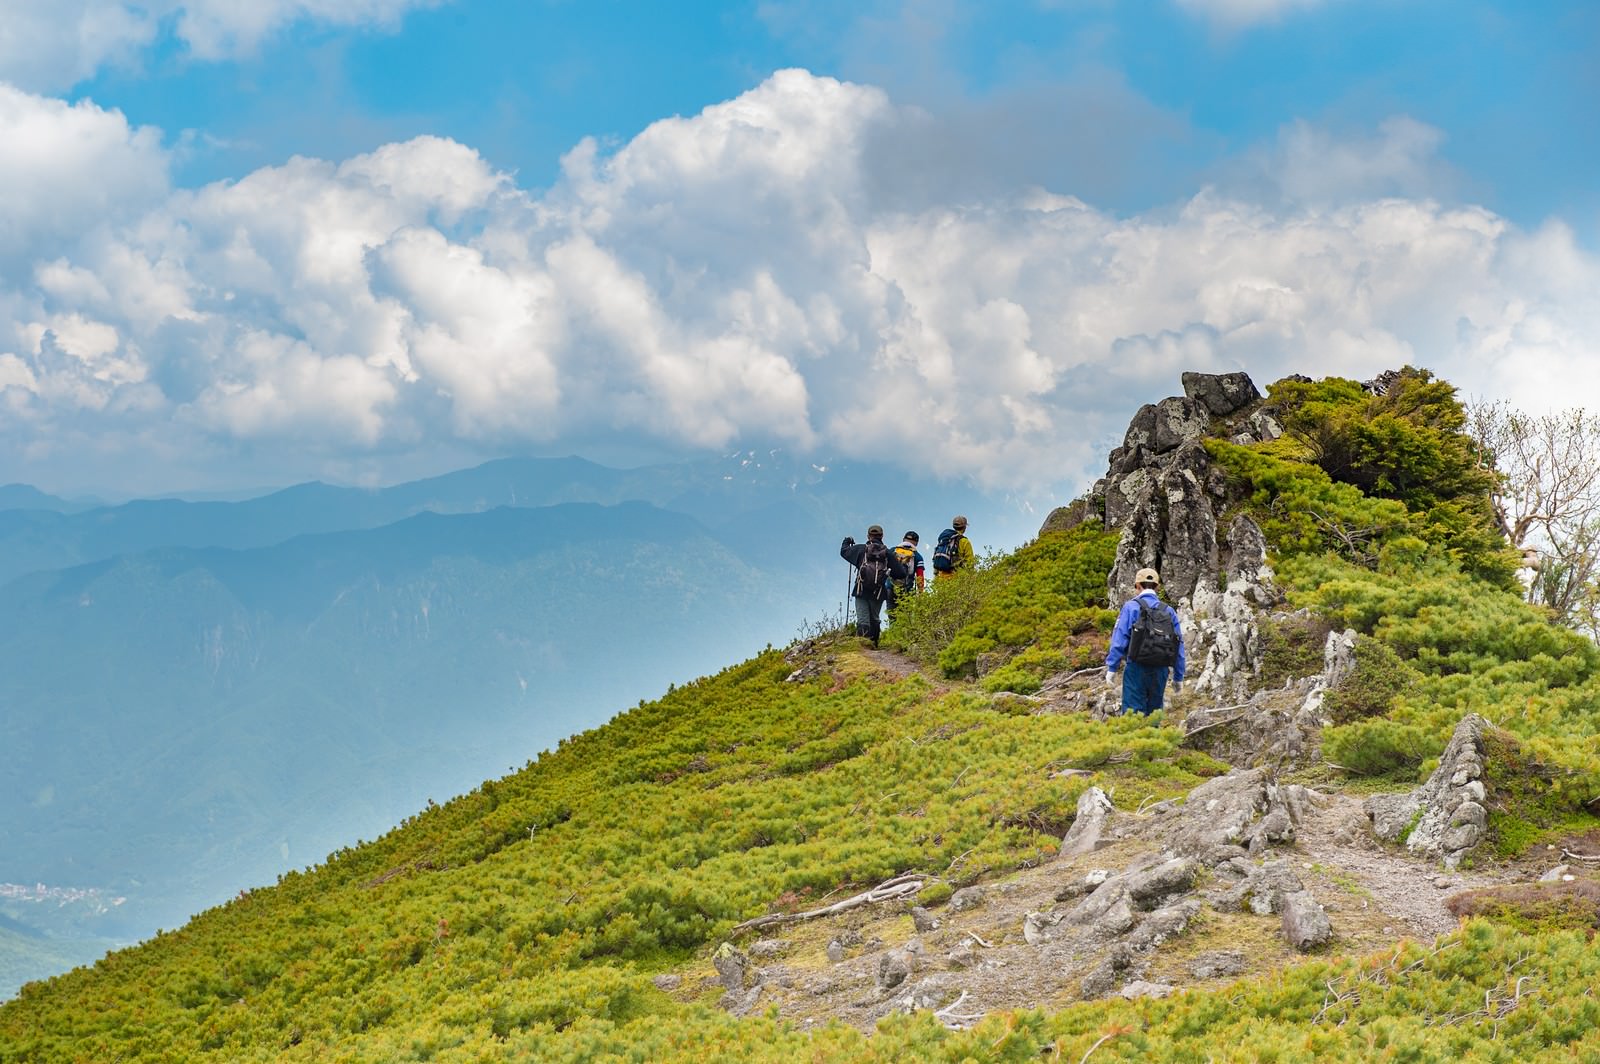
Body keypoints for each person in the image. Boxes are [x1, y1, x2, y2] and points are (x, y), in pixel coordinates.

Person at [1104, 567, 1186, 716]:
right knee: (1154, 713)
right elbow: (1178, 645)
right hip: (1160, 669)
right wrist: (1178, 677)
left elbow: (1119, 639)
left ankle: (1135, 739)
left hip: (1136, 667)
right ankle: (1153, 738)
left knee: (1132, 714)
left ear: (1137, 586)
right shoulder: (1169, 611)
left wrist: (1112, 668)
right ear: (1157, 587)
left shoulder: (1131, 607)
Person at [840, 525, 908, 647]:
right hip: (879, 592)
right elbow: (901, 573)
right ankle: (874, 644)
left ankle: (863, 646)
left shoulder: (861, 550)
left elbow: (844, 552)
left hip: (861, 590)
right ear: (882, 536)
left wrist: (847, 541)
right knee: (875, 618)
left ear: (868, 536)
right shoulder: (887, 553)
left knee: (863, 619)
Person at [932, 515, 975, 580]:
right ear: (964, 527)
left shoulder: (944, 540)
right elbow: (970, 563)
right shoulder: (965, 541)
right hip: (956, 580)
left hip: (941, 580)